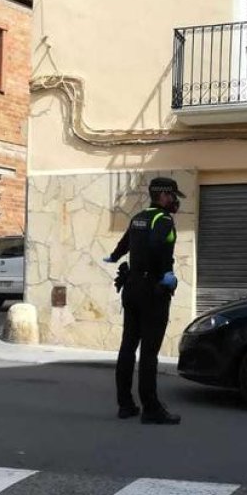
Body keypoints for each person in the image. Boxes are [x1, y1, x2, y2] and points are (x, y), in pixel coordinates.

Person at [103, 177, 184, 425]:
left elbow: (126, 242)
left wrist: (114, 256)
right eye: (173, 196)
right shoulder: (164, 220)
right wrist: (166, 275)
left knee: (128, 346)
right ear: (163, 196)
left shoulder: (138, 217)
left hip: (132, 286)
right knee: (149, 352)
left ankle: (125, 405)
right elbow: (157, 245)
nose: (175, 201)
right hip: (153, 289)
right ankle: (151, 408)